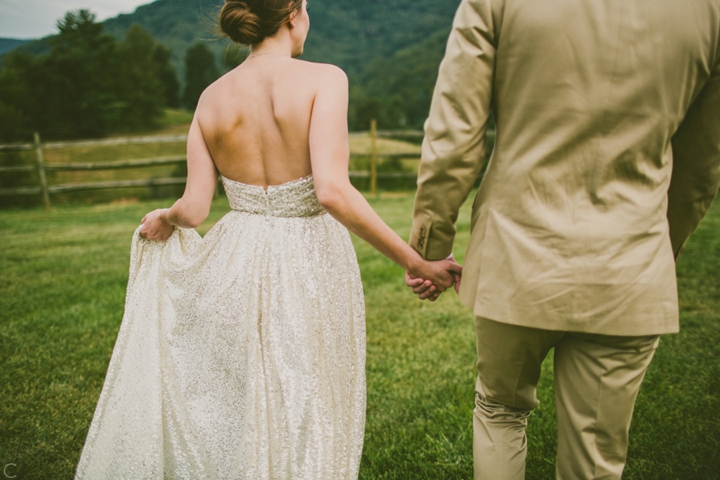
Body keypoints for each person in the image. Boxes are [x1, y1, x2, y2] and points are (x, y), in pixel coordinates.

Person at [74, 0, 461, 478]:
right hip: (310, 256)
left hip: (237, 257)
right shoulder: (325, 79)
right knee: (308, 397)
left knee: (245, 396)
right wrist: (415, 261)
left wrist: (164, 217)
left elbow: (193, 209)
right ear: (293, 14)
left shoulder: (211, 97)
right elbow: (333, 191)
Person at [406, 0, 720, 478]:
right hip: (630, 265)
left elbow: (453, 140)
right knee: (594, 457)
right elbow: (700, 168)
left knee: (500, 412)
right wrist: (656, 251)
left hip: (517, 253)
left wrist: (429, 248)